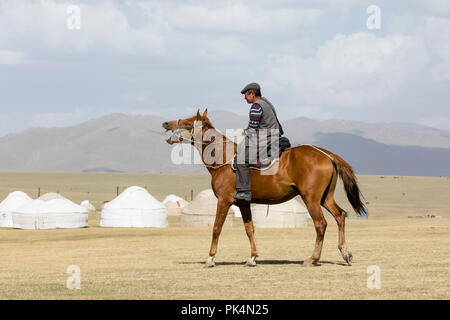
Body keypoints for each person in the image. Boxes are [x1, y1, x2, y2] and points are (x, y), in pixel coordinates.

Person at [230, 82, 284, 202]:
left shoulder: (256, 106)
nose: (244, 97)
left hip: (266, 139)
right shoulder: (267, 103)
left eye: (245, 94)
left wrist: (244, 133)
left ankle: (244, 192)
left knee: (241, 159)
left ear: (252, 94)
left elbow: (252, 129)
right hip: (274, 137)